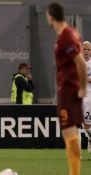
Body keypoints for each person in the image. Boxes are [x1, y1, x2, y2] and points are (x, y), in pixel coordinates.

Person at [46, 3, 88, 175]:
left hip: (69, 91)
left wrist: (83, 88)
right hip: (68, 89)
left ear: (50, 16)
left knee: (70, 135)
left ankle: (74, 173)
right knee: (71, 135)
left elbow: (81, 63)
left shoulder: (66, 36)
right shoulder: (71, 32)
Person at [82, 41, 91, 153]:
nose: (86, 51)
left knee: (87, 124)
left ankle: (90, 139)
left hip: (89, 95)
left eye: (88, 50)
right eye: (84, 49)